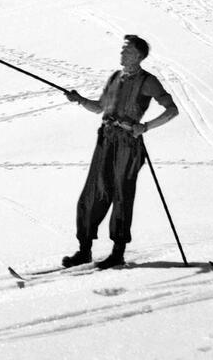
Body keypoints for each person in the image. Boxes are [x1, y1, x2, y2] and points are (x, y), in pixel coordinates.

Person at [63, 35, 180, 269]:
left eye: (126, 51)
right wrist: (79, 99)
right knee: (92, 192)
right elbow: (99, 107)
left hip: (128, 144)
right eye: (122, 50)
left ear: (138, 55)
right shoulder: (115, 77)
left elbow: (172, 110)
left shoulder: (148, 81)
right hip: (105, 139)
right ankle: (84, 250)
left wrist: (145, 127)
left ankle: (118, 252)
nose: (122, 54)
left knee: (121, 196)